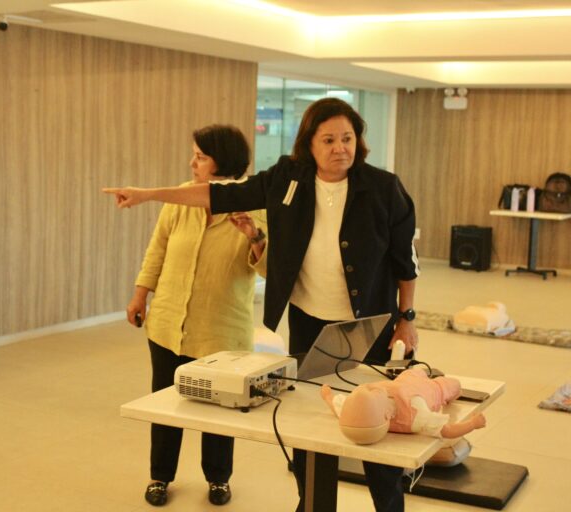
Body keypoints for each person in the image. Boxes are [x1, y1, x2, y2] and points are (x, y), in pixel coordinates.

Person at [104, 97, 419, 511]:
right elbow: (220, 194)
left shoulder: (383, 187)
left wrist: (407, 318)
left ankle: (388, 506)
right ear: (309, 143)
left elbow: (404, 259)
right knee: (311, 422)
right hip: (309, 322)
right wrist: (145, 195)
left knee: (377, 420)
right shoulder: (288, 178)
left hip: (369, 324)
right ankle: (311, 502)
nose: (340, 148)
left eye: (347, 138)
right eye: (328, 140)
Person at [114, 125, 267, 507]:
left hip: (222, 333)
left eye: (200, 156)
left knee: (219, 411)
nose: (192, 163)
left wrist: (254, 236)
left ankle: (218, 478)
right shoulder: (180, 199)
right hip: (168, 324)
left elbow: (268, 269)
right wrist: (140, 295)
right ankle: (160, 476)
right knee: (166, 406)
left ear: (222, 162)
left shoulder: (255, 205)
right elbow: (157, 250)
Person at [321, 368, 487, 445]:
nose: (370, 387)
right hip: (434, 390)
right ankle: (450, 388)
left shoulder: (357, 412)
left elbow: (337, 405)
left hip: (405, 379)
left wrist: (328, 396)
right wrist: (472, 424)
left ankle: (421, 371)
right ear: (386, 414)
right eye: (374, 393)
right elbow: (447, 431)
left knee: (414, 370)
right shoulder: (414, 415)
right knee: (454, 385)